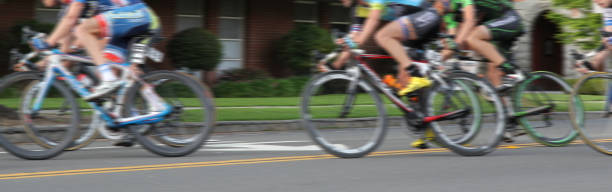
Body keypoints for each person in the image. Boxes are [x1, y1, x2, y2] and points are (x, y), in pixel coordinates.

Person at [323, 0, 436, 96]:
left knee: (406, 75)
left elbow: (372, 21)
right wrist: (334, 66)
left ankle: (420, 83)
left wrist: (352, 42)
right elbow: (354, 37)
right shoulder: (360, 9)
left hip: (420, 12)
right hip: (405, 17)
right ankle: (420, 110)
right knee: (403, 85)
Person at [444, 0, 525, 91]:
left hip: (510, 19)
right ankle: (504, 104)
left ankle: (512, 72)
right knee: (493, 74)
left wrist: (456, 43)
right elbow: (451, 43)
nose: (442, 5)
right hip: (497, 29)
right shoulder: (448, 14)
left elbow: (469, 22)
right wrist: (437, 62)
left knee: (473, 38)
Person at [576, 0, 612, 115]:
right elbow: (608, 40)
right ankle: (609, 107)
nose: (596, 1)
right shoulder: (607, 9)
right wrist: (592, 63)